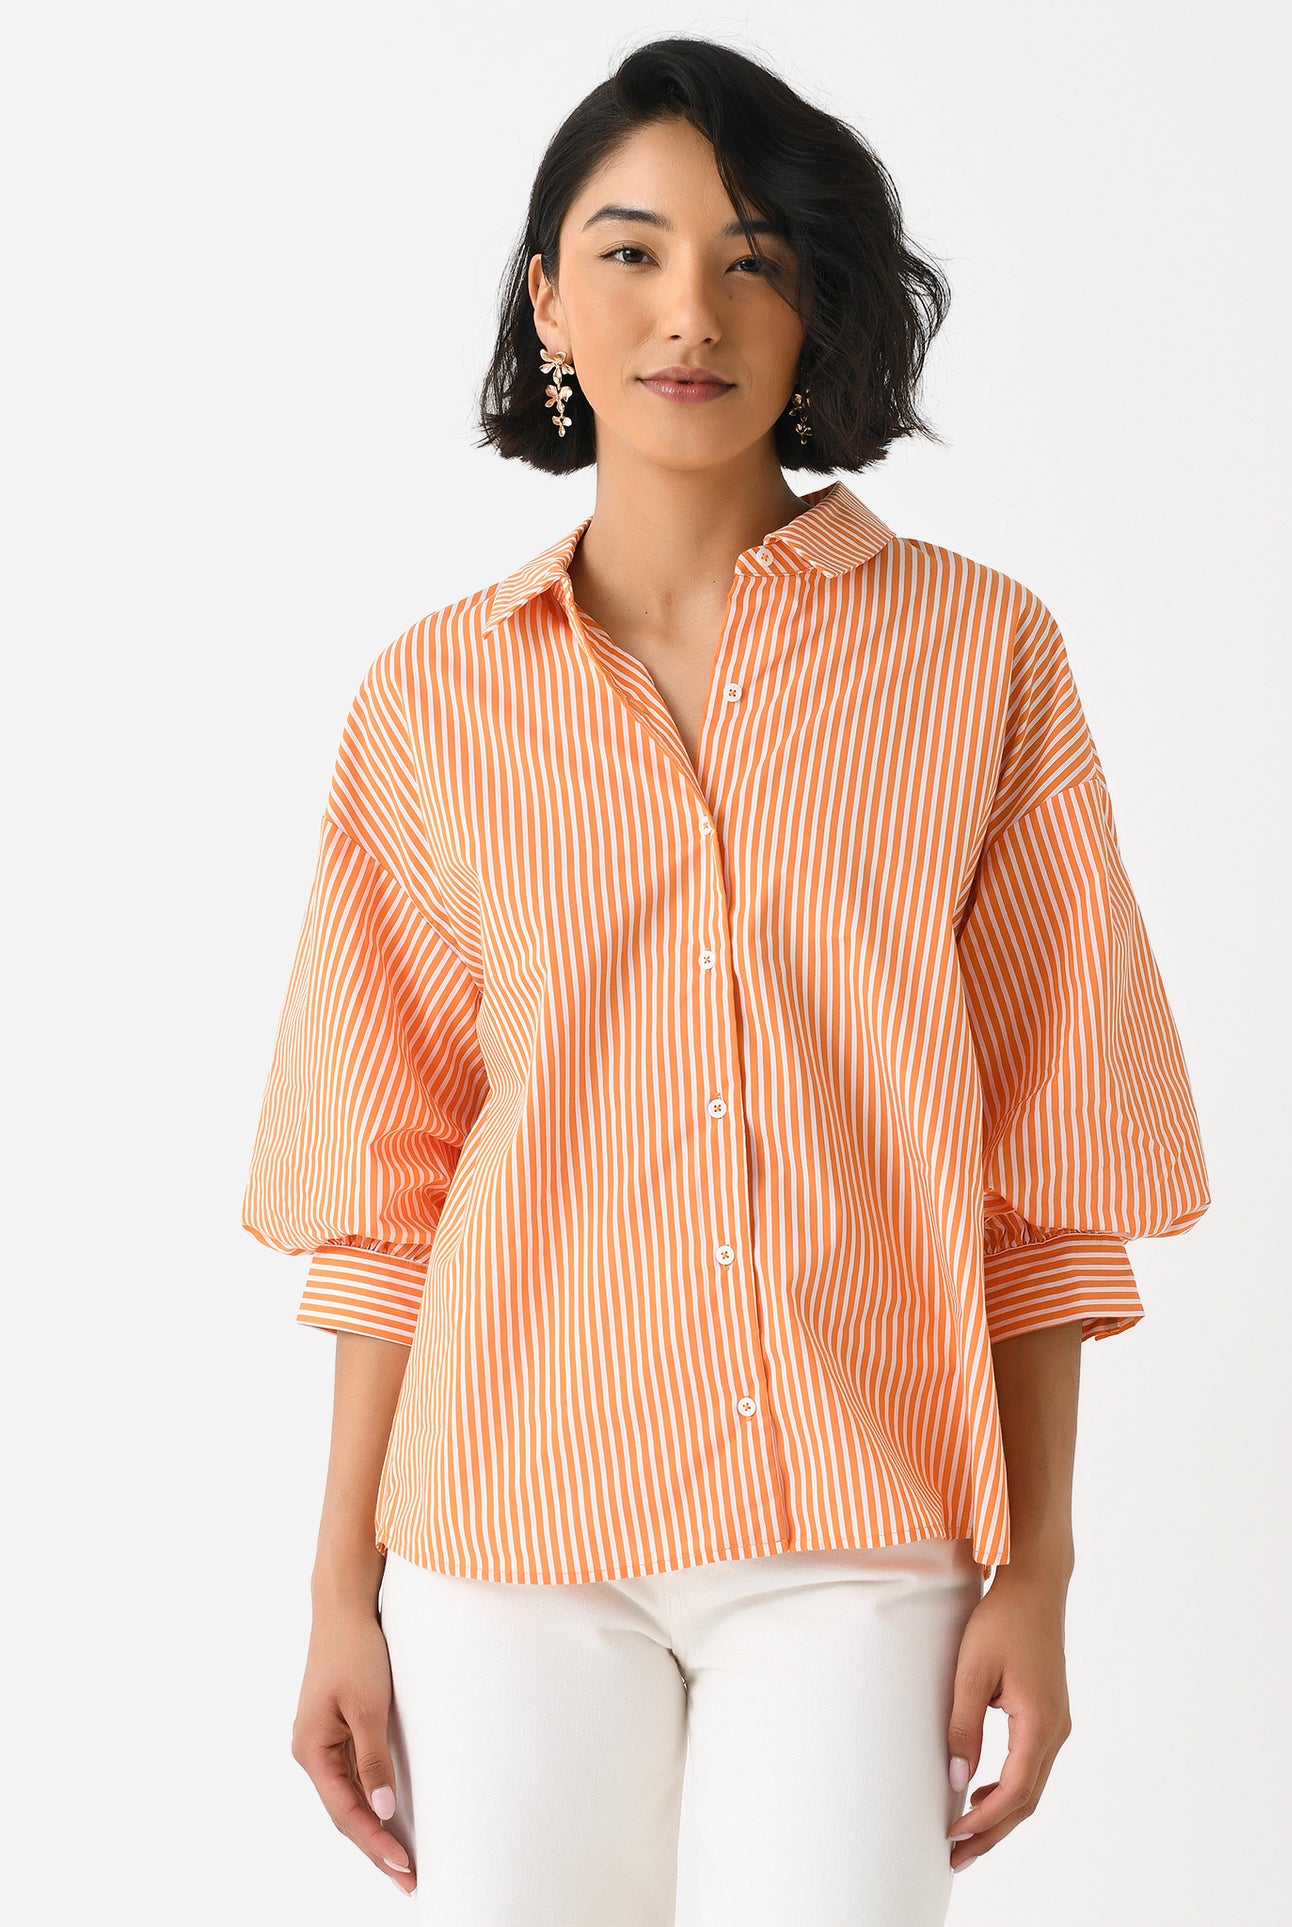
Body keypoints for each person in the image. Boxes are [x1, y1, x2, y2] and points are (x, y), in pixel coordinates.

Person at [241, 35, 1210, 1927]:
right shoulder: (432, 699)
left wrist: (1037, 1573)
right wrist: (340, 1592)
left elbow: (1046, 1171)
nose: (689, 310)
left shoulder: (976, 658)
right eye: (631, 252)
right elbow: (387, 1191)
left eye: (754, 258)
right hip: (500, 1538)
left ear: (816, 304)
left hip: (860, 1534)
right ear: (548, 300)